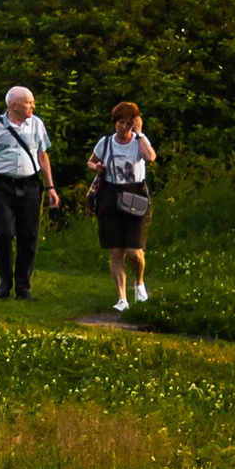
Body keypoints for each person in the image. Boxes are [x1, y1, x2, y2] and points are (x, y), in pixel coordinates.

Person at [0, 82, 58, 299]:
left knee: (29, 236)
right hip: (2, 186)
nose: (33, 107)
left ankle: (23, 286)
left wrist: (51, 187)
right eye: (29, 103)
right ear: (14, 105)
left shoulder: (37, 124)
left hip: (30, 185)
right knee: (4, 234)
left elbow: (42, 156)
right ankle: (4, 282)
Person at [87, 99, 158, 312]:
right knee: (116, 250)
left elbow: (150, 157)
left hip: (135, 195)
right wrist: (96, 167)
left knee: (134, 251)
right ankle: (122, 298)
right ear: (114, 122)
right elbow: (91, 161)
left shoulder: (139, 142)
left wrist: (140, 133)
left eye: (128, 123)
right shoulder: (106, 142)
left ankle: (139, 282)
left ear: (134, 124)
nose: (124, 127)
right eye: (121, 123)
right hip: (110, 195)